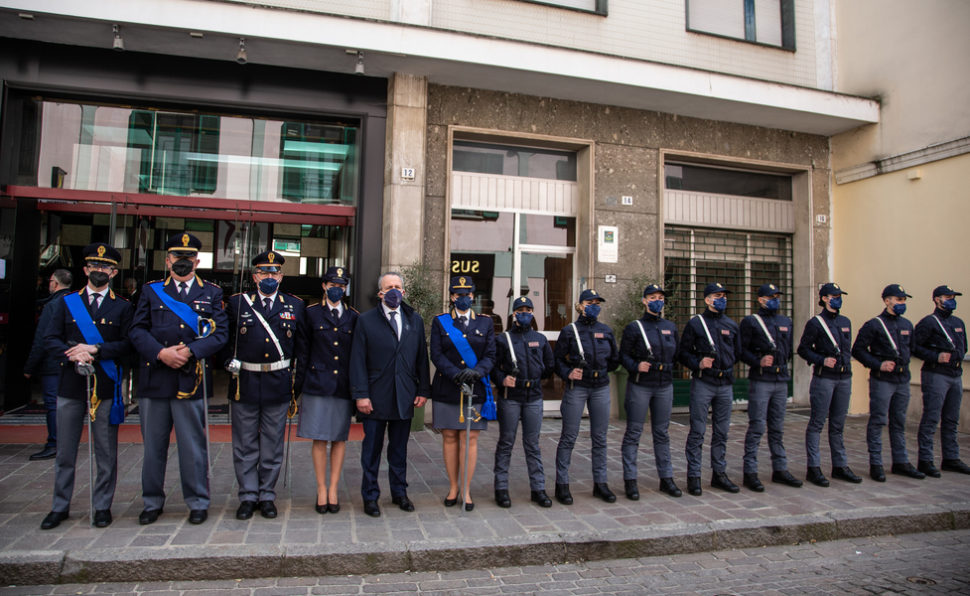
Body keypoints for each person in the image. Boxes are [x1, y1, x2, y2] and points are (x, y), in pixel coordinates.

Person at [129, 232, 228, 526]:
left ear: (197, 261)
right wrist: (161, 353)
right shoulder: (151, 291)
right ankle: (152, 502)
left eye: (188, 258)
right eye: (177, 258)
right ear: (168, 259)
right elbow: (137, 331)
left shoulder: (212, 293)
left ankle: (197, 501)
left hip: (191, 379)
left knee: (193, 447)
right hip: (155, 378)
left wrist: (192, 351)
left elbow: (220, 334)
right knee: (153, 448)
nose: (182, 263)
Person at [40, 244, 131, 529]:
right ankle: (60, 505)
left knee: (105, 452)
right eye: (94, 266)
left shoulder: (123, 306)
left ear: (114, 272)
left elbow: (128, 345)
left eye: (105, 267)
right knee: (65, 450)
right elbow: (50, 339)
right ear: (85, 269)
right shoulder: (66, 303)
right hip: (70, 385)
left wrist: (95, 350)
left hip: (104, 387)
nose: (99, 271)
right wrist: (74, 353)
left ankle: (102, 505)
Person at [224, 250, 308, 520]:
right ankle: (248, 495)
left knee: (272, 443)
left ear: (281, 276)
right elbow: (225, 342)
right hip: (245, 383)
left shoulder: (295, 306)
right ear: (254, 276)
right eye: (263, 272)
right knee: (245, 444)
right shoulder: (238, 303)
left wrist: (297, 385)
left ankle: (267, 494)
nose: (268, 277)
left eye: (274, 272)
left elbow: (302, 350)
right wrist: (230, 364)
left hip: (277, 383)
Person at [349, 271, 430, 517]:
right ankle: (370, 496)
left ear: (403, 292)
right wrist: (361, 395)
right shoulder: (365, 320)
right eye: (389, 287)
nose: (394, 290)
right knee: (371, 450)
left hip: (403, 395)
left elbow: (421, 359)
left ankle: (399, 493)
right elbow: (357, 361)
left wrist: (423, 389)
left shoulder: (414, 320)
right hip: (374, 396)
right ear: (380, 293)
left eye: (397, 286)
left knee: (399, 450)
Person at [430, 276, 496, 511]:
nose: (464, 298)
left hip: (475, 389)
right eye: (459, 295)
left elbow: (490, 355)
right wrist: (455, 374)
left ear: (473, 296)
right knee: (449, 437)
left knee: (469, 439)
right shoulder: (441, 322)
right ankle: (453, 487)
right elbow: (436, 355)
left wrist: (476, 372)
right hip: (447, 387)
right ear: (452, 297)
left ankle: (466, 490)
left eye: (468, 294)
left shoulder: (486, 323)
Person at [298, 266, 358, 514]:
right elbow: (302, 352)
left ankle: (334, 487)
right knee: (320, 437)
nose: (337, 290)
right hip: (317, 384)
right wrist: (297, 388)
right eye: (333, 285)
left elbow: (356, 356)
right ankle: (321, 488)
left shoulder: (354, 316)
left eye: (341, 286)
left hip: (342, 386)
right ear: (324, 286)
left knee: (339, 438)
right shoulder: (310, 313)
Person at [553, 288, 620, 505]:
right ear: (580, 305)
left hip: (600, 387)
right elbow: (556, 361)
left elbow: (614, 359)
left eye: (597, 303)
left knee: (600, 438)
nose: (594, 306)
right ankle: (562, 484)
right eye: (590, 302)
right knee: (569, 436)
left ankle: (601, 484)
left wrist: (601, 370)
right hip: (577, 387)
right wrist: (568, 372)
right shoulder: (569, 330)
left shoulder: (606, 330)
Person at [851, 284, 924, 482]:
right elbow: (857, 350)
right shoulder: (874, 325)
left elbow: (914, 349)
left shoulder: (907, 325)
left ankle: (901, 461)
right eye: (898, 300)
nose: (902, 303)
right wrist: (878, 364)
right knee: (878, 421)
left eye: (903, 300)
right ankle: (876, 463)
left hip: (902, 379)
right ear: (887, 301)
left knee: (899, 421)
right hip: (882, 380)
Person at [619, 283, 682, 499]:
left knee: (662, 433)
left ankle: (666, 478)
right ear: (644, 300)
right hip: (641, 385)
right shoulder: (634, 327)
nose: (657, 300)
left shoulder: (670, 327)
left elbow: (677, 354)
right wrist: (636, 366)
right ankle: (630, 480)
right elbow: (623, 356)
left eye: (660, 297)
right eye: (653, 297)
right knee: (634, 432)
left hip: (664, 385)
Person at [678, 282, 742, 496]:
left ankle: (719, 474)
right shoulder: (696, 324)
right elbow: (683, 353)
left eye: (724, 295)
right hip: (704, 383)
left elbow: (738, 352)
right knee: (698, 431)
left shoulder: (732, 325)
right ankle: (694, 476)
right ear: (707, 299)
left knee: (722, 432)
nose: (722, 298)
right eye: (717, 295)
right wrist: (698, 363)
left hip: (725, 384)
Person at [492, 296, 554, 508]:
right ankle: (501, 489)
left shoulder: (540, 339)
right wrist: (502, 379)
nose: (525, 313)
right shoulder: (503, 339)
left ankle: (538, 489)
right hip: (510, 398)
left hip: (534, 397)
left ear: (533, 312)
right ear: (514, 314)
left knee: (533, 444)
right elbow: (493, 368)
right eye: (521, 310)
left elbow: (549, 365)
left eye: (528, 310)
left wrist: (537, 376)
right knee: (506, 443)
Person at [796, 283, 861, 487]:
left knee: (838, 425)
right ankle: (814, 468)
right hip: (824, 378)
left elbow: (847, 350)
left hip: (843, 378)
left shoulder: (845, 321)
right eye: (834, 295)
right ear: (824, 298)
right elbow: (803, 349)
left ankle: (840, 466)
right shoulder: (816, 323)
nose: (838, 298)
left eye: (840, 295)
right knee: (817, 423)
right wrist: (821, 360)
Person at [738, 283, 802, 491]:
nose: (775, 299)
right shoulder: (751, 322)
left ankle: (780, 469)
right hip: (761, 380)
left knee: (777, 427)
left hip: (781, 380)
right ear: (760, 300)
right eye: (770, 296)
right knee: (757, 426)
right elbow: (741, 350)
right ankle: (750, 471)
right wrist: (757, 362)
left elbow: (789, 349)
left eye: (777, 296)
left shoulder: (785, 321)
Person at [913, 285, 970, 477]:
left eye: (953, 297)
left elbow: (963, 347)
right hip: (936, 374)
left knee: (951, 419)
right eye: (948, 296)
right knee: (931, 418)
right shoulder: (929, 322)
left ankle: (951, 458)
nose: (952, 300)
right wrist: (936, 356)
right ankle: (926, 460)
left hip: (955, 375)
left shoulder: (958, 322)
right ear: (937, 299)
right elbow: (915, 347)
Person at [25, 269, 73, 461]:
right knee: (66, 404)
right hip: (69, 359)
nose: (48, 284)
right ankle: (64, 442)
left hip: (52, 362)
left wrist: (29, 367)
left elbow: (42, 339)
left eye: (50, 281)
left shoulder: (52, 305)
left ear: (55, 283)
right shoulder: (75, 302)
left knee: (53, 404)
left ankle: (54, 443)